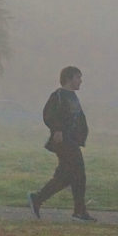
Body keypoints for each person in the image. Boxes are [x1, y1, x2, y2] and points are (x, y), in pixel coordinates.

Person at [31, 65, 94, 221]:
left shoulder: (73, 97)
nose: (80, 81)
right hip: (63, 141)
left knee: (65, 177)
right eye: (78, 77)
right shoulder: (58, 95)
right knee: (79, 174)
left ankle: (37, 198)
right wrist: (57, 130)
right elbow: (49, 114)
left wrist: (81, 136)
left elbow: (79, 119)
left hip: (72, 141)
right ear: (69, 78)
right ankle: (79, 212)